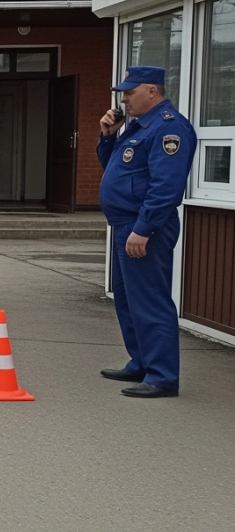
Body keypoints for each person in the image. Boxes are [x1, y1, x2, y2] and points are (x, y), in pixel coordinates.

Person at [98, 66, 196, 399]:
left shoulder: (169, 128)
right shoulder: (139, 126)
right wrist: (108, 136)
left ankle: (163, 376)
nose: (123, 99)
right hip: (125, 224)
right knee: (128, 300)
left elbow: (166, 187)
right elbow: (115, 168)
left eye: (130, 92)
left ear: (152, 91)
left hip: (144, 227)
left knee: (150, 301)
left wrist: (144, 228)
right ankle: (141, 362)